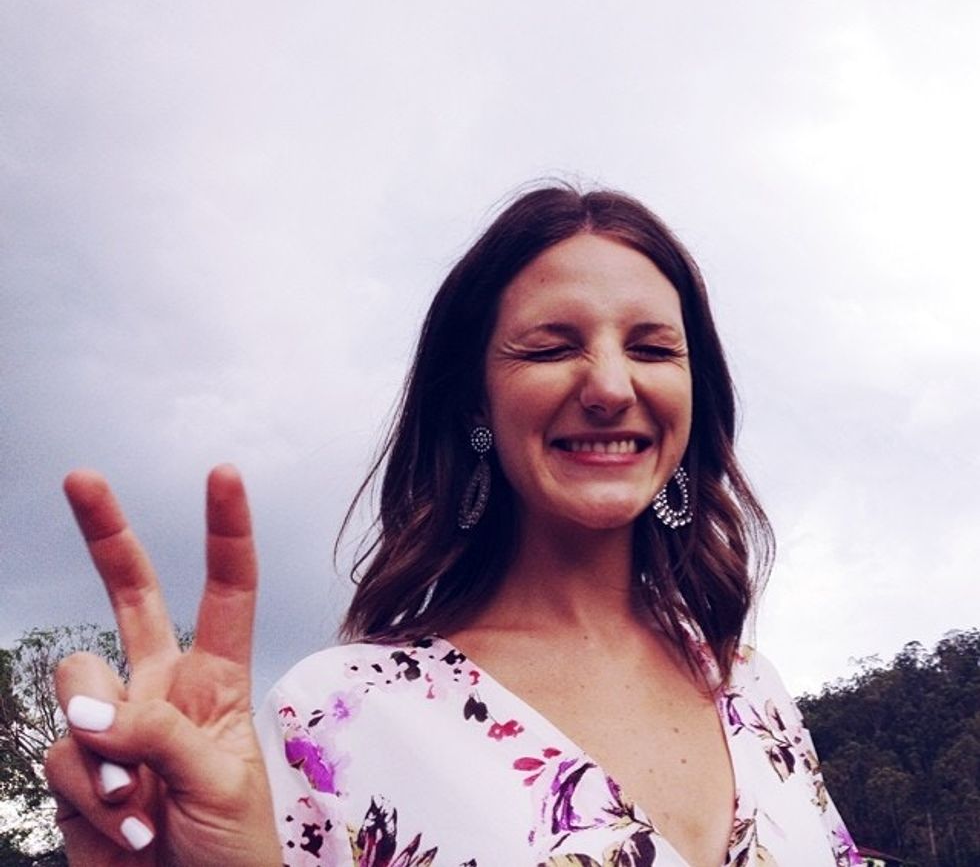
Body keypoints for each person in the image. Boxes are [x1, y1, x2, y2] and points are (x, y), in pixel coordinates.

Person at [44, 185, 862, 866]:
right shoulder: (336, 718)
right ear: (475, 399)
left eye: (652, 349)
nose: (611, 384)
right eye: (550, 348)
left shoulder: (753, 691)